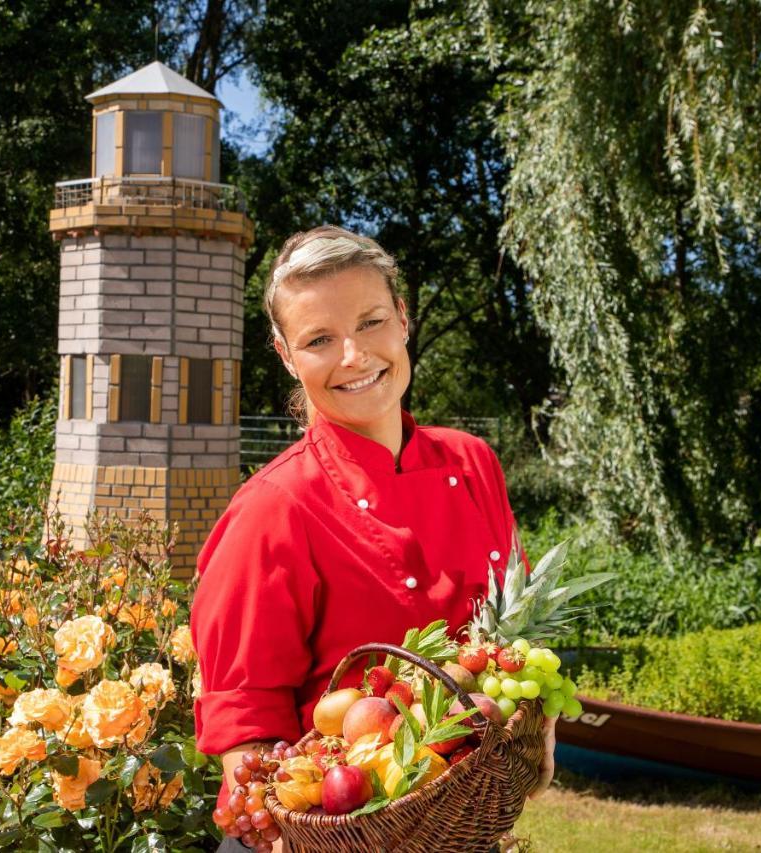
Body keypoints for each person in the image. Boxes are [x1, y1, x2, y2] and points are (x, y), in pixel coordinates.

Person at [190, 226, 556, 852]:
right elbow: (242, 713)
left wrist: (537, 733)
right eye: (320, 340)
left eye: (371, 321)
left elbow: (511, 646)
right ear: (285, 355)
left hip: (456, 829)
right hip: (328, 838)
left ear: (404, 319)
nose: (354, 355)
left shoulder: (473, 464)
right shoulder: (274, 508)